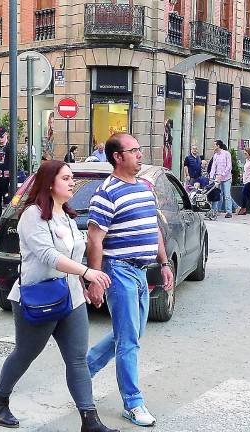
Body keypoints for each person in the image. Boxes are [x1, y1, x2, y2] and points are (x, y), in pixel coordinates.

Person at [0, 160, 117, 432]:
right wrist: (88, 273)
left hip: (71, 297)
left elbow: (72, 254)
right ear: (49, 183)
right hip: (38, 297)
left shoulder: (68, 217)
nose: (72, 183)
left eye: (72, 178)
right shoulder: (32, 216)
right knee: (25, 353)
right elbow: (48, 255)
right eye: (66, 178)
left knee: (77, 358)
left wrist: (83, 284)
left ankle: (89, 420)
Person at [85, 133, 174, 427]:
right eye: (133, 150)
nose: (139, 154)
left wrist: (163, 263)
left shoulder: (145, 188)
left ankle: (84, 368)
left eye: (139, 149)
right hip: (118, 270)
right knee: (128, 341)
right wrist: (96, 280)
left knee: (132, 333)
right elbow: (94, 240)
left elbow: (154, 228)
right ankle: (133, 403)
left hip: (140, 271)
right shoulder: (106, 193)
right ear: (117, 157)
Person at [209, 140, 233, 218]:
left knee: (227, 195)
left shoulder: (226, 154)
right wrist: (211, 177)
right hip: (217, 178)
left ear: (218, 146)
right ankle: (215, 210)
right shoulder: (215, 155)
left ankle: (229, 211)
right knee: (216, 194)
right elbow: (213, 167)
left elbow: (229, 166)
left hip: (226, 178)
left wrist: (222, 175)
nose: (213, 147)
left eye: (214, 145)